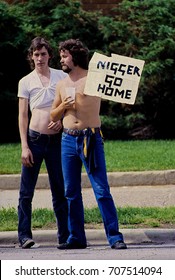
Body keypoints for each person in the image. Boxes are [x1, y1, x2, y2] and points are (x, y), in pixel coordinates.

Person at [50, 38, 127, 250]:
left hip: (90, 139)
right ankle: (76, 237)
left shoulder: (94, 79)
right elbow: (53, 114)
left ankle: (115, 237)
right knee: (71, 192)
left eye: (65, 55)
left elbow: (120, 84)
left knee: (101, 189)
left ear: (75, 56)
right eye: (61, 55)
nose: (61, 59)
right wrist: (63, 106)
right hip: (67, 140)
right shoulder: (62, 84)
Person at [17, 37, 69, 249]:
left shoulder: (61, 76)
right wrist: (24, 146)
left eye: (43, 54)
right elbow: (22, 116)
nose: (40, 58)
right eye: (36, 54)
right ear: (32, 57)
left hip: (57, 141)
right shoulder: (26, 81)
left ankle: (65, 236)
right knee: (26, 191)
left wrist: (63, 122)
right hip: (35, 139)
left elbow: (70, 105)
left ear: (50, 55)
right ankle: (24, 236)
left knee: (60, 189)